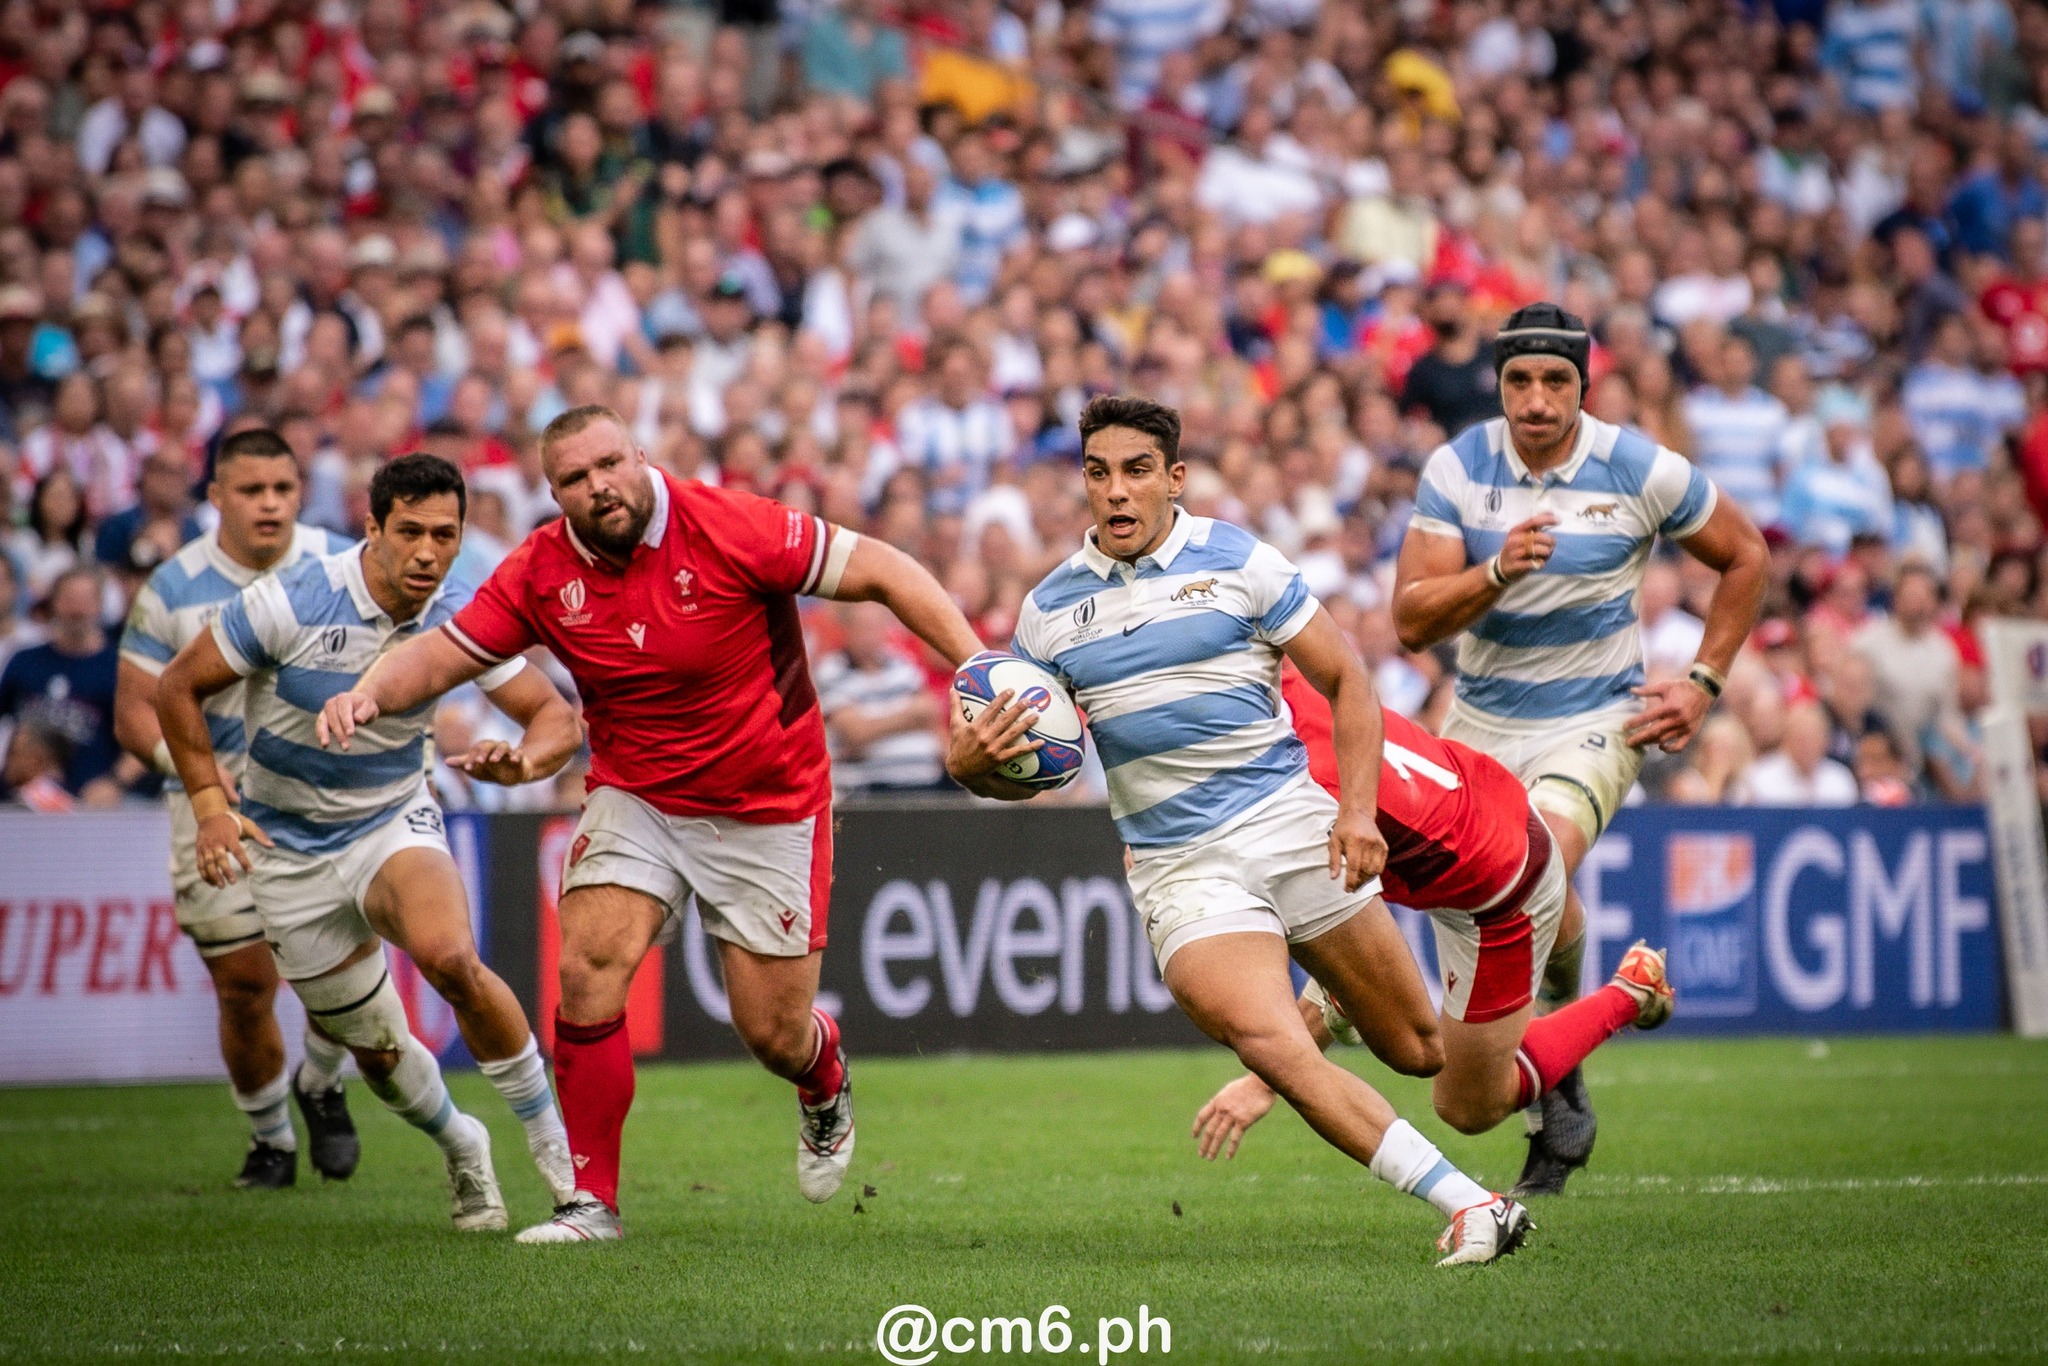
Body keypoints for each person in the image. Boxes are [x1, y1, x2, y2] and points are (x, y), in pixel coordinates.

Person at [312, 405, 985, 1244]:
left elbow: (883, 568)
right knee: (588, 964)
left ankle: (822, 1077)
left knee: (772, 1034)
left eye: (607, 465)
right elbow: (449, 653)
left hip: (766, 803)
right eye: (573, 480)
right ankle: (590, 1203)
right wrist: (369, 691)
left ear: (639, 454)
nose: (598, 488)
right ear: (551, 493)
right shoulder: (542, 567)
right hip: (637, 794)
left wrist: (978, 664)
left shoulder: (730, 524)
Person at [949, 394, 1531, 1267]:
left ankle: (1340, 997)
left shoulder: (1241, 562)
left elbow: (1349, 682)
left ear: (1174, 479)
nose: (1116, 491)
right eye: (1099, 472)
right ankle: (1470, 1204)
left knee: (1417, 1049)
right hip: (1180, 868)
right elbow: (1030, 768)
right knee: (1275, 1045)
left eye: (1137, 471)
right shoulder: (1048, 613)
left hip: (1289, 823)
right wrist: (971, 766)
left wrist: (1358, 811)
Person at [1391, 303, 1767, 1195]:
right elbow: (1409, 620)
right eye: (1519, 380)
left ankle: (1564, 1046)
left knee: (1542, 858)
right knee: (1502, 902)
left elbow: (1746, 554)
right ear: (1499, 385)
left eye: (1555, 380)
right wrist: (1495, 571)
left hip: (1596, 715)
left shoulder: (1635, 465)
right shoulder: (1458, 468)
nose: (1535, 398)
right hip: (1477, 720)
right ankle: (1558, 1064)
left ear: (1583, 387)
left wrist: (1703, 681)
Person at [154, 454, 582, 1233]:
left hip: (391, 816)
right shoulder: (291, 599)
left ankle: (557, 1148)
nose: (427, 552)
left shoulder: (460, 608)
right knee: (380, 1053)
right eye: (410, 532)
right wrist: (211, 805)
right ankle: (461, 1141)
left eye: (444, 535)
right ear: (372, 528)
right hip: (287, 851)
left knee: (451, 957)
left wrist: (525, 764)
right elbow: (176, 685)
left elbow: (556, 718)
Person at [1190, 666, 1674, 1174]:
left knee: (1465, 1105)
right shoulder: (1285, 680)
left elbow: (1359, 977)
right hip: (1486, 802)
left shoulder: (1295, 804)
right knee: (1363, 989)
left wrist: (1263, 1082)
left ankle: (1631, 991)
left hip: (1501, 892)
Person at [112, 427, 355, 1188]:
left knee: (339, 972)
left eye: (283, 489)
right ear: (216, 497)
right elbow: (133, 712)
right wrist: (196, 775)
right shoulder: (174, 588)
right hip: (212, 804)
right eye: (252, 491)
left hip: (323, 799)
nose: (270, 505)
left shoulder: (338, 565)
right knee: (246, 986)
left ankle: (321, 1080)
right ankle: (272, 1138)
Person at [0, 566, 133, 801]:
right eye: (69, 599)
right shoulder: (24, 661)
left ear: (100, 605)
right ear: (54, 603)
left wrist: (115, 782)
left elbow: (148, 739)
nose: (77, 609)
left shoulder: (121, 669)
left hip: (89, 807)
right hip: (22, 805)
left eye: (85, 600)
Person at [815, 600, 945, 793]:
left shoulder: (903, 664)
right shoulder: (831, 670)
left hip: (927, 782)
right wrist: (912, 716)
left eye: (876, 626)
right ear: (847, 628)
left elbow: (929, 710)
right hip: (870, 789)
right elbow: (857, 732)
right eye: (864, 627)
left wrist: (875, 720)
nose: (871, 634)